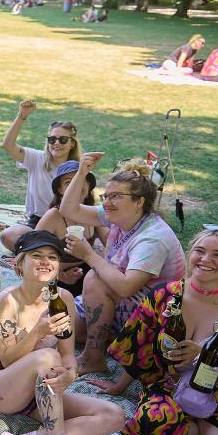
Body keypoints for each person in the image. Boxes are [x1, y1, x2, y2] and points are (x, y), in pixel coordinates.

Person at [93, 227, 218, 435]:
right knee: (150, 421)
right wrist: (119, 386)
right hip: (171, 387)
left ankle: (202, 428)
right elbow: (139, 345)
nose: (205, 259)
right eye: (200, 251)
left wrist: (202, 356)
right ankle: (197, 431)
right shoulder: (166, 296)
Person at [0, 230, 125, 435]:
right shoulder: (7, 300)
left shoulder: (64, 299)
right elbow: (9, 359)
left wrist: (69, 375)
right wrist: (37, 332)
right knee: (47, 356)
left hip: (44, 393)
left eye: (52, 257)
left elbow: (69, 357)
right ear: (18, 264)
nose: (46, 262)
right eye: (37, 256)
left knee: (113, 416)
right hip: (4, 388)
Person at [60, 154, 185, 374]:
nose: (107, 203)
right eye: (105, 196)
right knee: (61, 333)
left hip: (155, 318)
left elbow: (127, 287)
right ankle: (113, 338)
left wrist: (89, 255)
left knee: (94, 279)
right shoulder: (119, 216)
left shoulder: (153, 238)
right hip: (123, 303)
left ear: (139, 202)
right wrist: (81, 172)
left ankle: (93, 357)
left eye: (115, 196)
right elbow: (69, 210)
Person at [0, 100, 82, 251]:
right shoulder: (37, 158)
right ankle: (48, 249)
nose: (56, 143)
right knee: (7, 236)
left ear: (72, 143)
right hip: (37, 221)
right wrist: (22, 116)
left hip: (66, 222)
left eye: (62, 139)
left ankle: (39, 249)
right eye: (52, 139)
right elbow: (8, 145)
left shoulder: (79, 168)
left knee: (73, 243)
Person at [36, 160, 108, 296]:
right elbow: (30, 254)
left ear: (88, 188)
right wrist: (60, 275)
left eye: (80, 180)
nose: (76, 186)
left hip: (85, 272)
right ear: (60, 189)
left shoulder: (93, 214)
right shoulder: (53, 216)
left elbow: (111, 243)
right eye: (69, 182)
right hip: (53, 276)